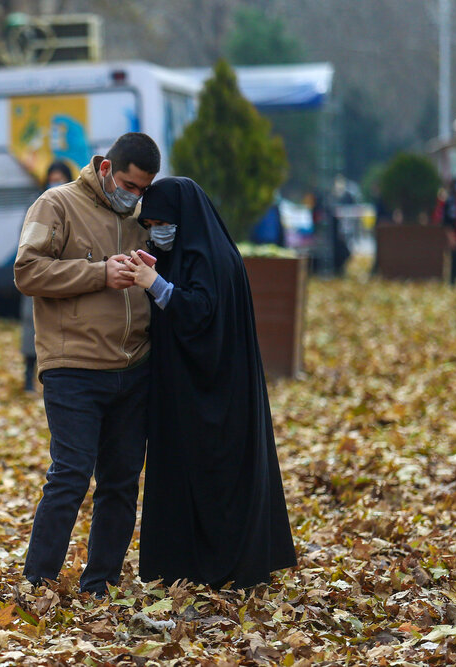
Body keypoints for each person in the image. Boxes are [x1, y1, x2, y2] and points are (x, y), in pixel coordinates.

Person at [119, 177, 297, 588]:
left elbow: (201, 313)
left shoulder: (213, 257)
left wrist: (156, 286)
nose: (155, 230)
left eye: (162, 222)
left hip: (219, 394)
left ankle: (226, 564)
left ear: (184, 217)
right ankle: (185, 564)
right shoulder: (190, 253)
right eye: (149, 224)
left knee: (218, 476)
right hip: (189, 392)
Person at [15, 132, 159, 596]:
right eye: (129, 185)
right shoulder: (56, 204)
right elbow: (27, 270)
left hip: (133, 367)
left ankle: (100, 582)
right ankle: (37, 582)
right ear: (105, 170)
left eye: (143, 189)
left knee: (120, 483)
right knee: (70, 476)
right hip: (72, 365)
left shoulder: (142, 216)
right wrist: (99, 273)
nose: (134, 196)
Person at [20, 160, 74, 393]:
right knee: (31, 327)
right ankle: (27, 376)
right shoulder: (37, 207)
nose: (55, 182)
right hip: (39, 279)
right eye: (52, 177)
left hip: (65, 277)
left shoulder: (74, 209)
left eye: (60, 177)